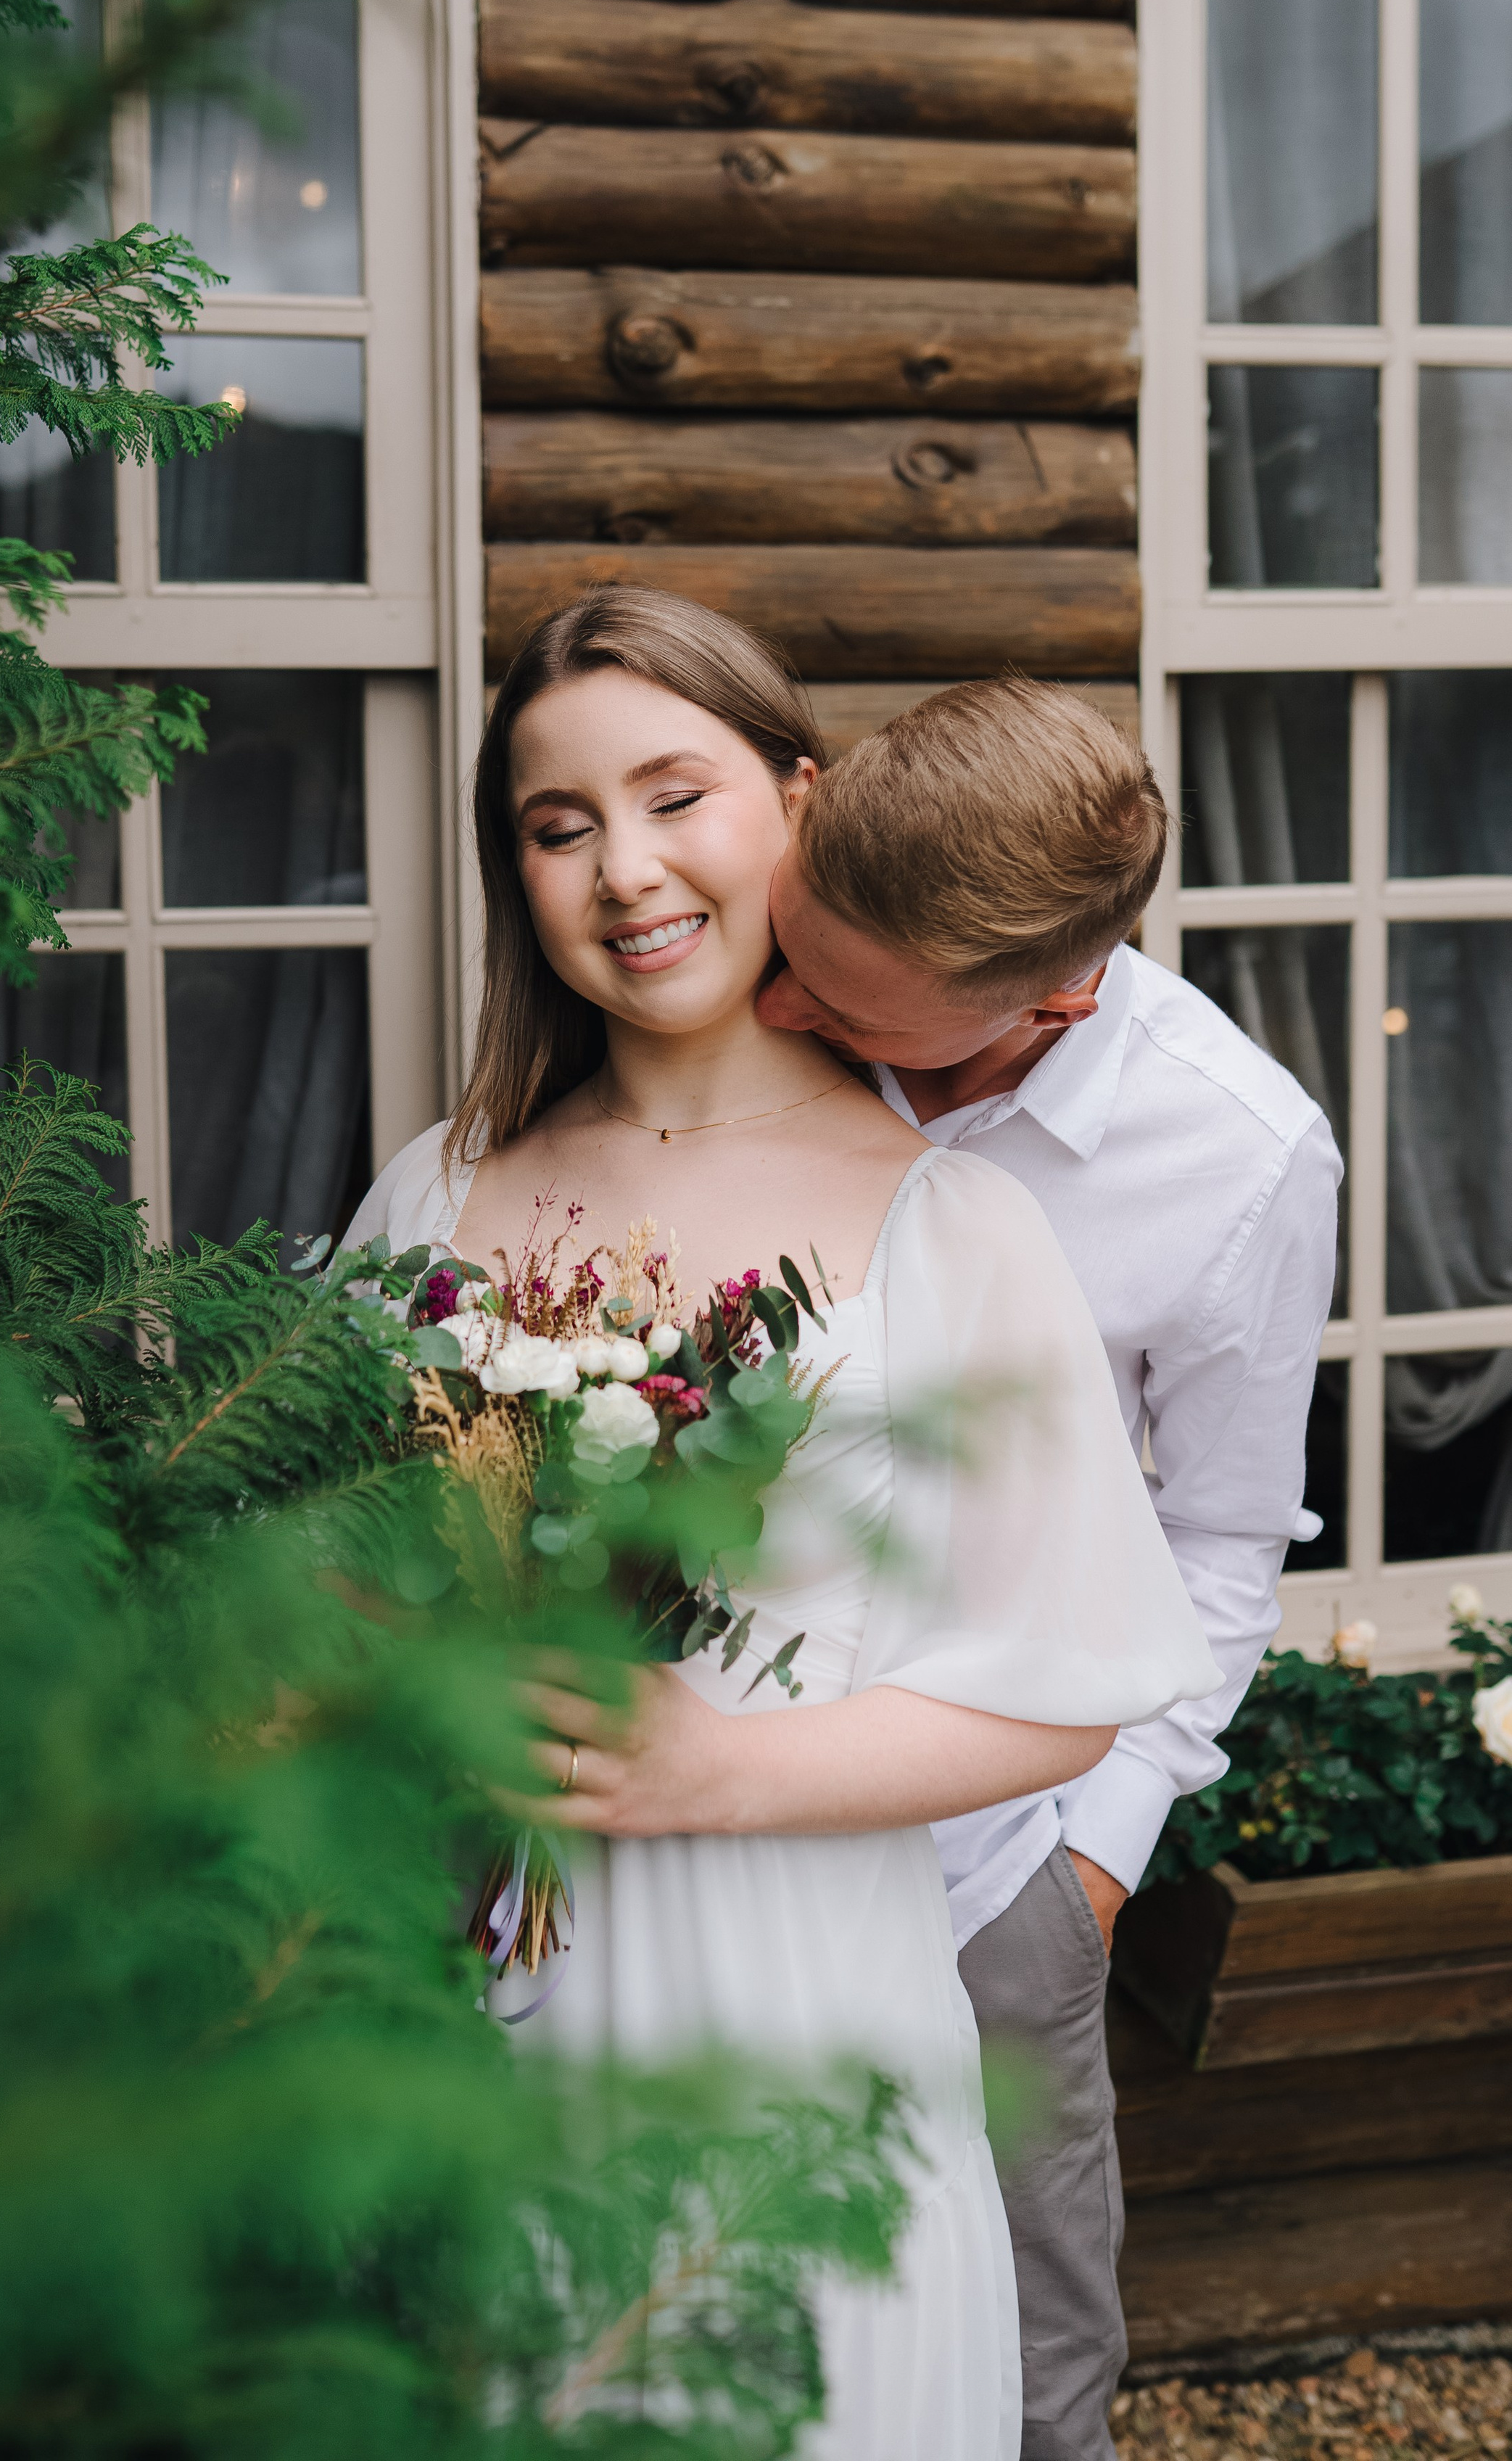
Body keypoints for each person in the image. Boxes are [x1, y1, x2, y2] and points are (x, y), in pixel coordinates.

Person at [346, 590, 1220, 2458]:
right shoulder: (434, 1190)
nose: (623, 870)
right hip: (472, 1998)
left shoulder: (951, 1223)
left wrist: (716, 1774)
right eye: (555, 822)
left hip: (803, 1990)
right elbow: (328, 1564)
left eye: (675, 795)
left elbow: (1068, 1695)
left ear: (795, 802)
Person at [758, 677, 1342, 2461]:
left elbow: (1224, 1538)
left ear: (1053, 995)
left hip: (992, 1865)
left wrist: (1093, 1860)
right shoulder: (746, 995)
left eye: (845, 1014)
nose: (770, 1012)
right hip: (694, 1820)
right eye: (786, 953)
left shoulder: (1238, 1159)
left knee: (1026, 2369)